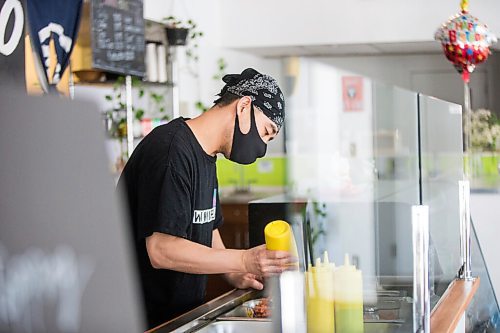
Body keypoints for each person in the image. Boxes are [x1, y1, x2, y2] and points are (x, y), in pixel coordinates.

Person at [117, 68, 293, 329]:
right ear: (244, 106)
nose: (262, 146)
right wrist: (243, 259)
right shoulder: (170, 151)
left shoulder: (207, 156)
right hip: (144, 320)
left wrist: (234, 272)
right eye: (266, 132)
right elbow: (161, 250)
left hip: (183, 316)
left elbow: (207, 225)